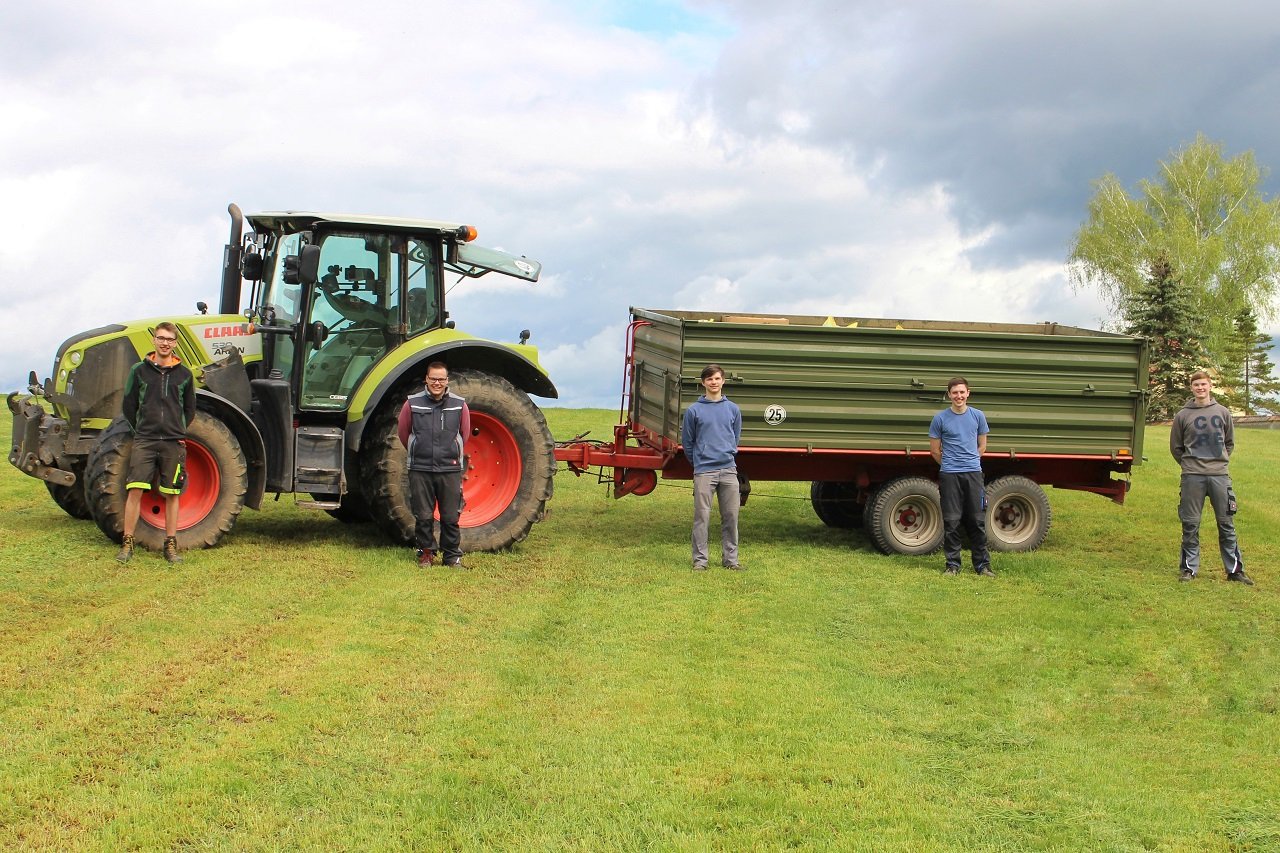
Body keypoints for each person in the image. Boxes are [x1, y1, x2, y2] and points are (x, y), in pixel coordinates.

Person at [116, 322, 197, 565]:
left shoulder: (185, 375)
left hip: (173, 442)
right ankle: (127, 543)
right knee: (135, 490)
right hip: (145, 441)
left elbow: (189, 409)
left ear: (175, 343)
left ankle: (170, 545)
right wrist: (140, 430)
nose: (165, 343)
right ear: (154, 340)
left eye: (170, 339)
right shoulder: (139, 371)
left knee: (172, 494)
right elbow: (129, 405)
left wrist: (177, 429)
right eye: (161, 338)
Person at [1169, 371, 1253, 585]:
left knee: (1226, 523)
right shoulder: (1183, 416)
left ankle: (1234, 570)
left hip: (1219, 476)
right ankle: (1189, 569)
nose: (1200, 388)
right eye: (1196, 384)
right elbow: (1176, 448)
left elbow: (1229, 443)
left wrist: (1218, 462)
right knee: (1190, 524)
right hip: (1192, 477)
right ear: (1191, 388)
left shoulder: (1223, 412)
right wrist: (1191, 465)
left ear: (1210, 385)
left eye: (1203, 384)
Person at [398, 361, 470, 569]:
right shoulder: (412, 404)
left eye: (441, 379)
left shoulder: (459, 404)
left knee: (450, 515)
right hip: (420, 468)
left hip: (450, 468)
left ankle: (452, 557)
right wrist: (418, 449)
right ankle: (426, 554)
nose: (437, 383)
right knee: (423, 515)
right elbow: (404, 433)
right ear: (426, 380)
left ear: (447, 381)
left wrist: (450, 452)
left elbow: (464, 434)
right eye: (433, 379)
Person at [681, 363, 743, 570]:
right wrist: (699, 462)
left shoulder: (733, 409)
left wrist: (727, 455)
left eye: (717, 378)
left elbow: (735, 438)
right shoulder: (693, 411)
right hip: (704, 471)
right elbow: (688, 443)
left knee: (731, 516)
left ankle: (731, 561)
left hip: (728, 470)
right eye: (709, 379)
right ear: (703, 383)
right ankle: (700, 561)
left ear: (723, 381)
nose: (713, 382)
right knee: (702, 517)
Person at [929, 377, 993, 576]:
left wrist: (970, 461)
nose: (958, 396)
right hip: (949, 475)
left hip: (973, 474)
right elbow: (935, 451)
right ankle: (952, 565)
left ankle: (982, 566)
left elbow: (982, 446)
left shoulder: (978, 416)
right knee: (952, 520)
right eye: (954, 392)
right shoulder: (940, 419)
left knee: (976, 520)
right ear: (949, 395)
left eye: (962, 392)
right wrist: (950, 465)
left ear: (968, 393)